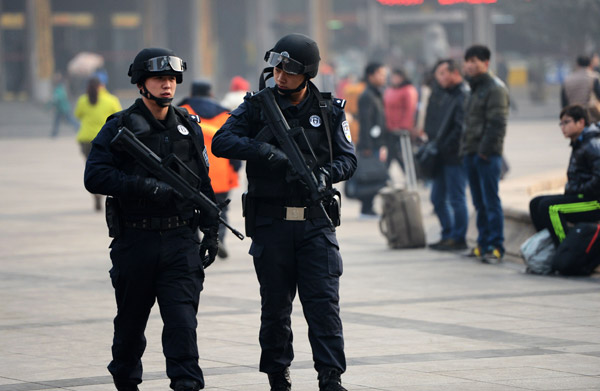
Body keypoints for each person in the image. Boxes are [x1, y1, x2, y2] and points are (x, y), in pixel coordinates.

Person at [212, 33, 356, 391]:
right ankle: (278, 374)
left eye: (289, 70)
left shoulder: (329, 109)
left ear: (307, 73)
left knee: (323, 304)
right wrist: (265, 152)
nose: (280, 76)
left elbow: (348, 158)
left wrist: (326, 173)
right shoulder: (256, 106)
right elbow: (221, 142)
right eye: (277, 67)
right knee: (275, 308)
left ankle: (330, 376)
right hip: (272, 223)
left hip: (315, 223)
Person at [84, 47, 219, 391]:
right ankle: (126, 380)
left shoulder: (188, 125)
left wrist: (211, 228)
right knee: (130, 325)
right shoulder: (119, 126)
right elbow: (95, 177)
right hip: (136, 241)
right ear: (142, 83)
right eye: (160, 78)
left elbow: (202, 182)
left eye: (172, 79)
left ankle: (186, 382)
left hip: (180, 242)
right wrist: (145, 187)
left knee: (182, 323)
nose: (168, 85)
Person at [179, 80, 240, 259]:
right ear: (211, 93)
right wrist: (235, 168)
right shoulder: (225, 114)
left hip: (193, 173)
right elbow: (234, 144)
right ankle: (218, 237)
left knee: (193, 209)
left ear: (191, 92)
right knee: (220, 209)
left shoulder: (182, 111)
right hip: (221, 171)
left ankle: (196, 243)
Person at [461, 44, 510, 264]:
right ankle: (482, 243)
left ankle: (496, 246)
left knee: (491, 201)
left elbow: (497, 123)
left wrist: (484, 151)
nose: (470, 65)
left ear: (486, 63)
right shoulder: (474, 88)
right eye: (468, 61)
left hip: (487, 154)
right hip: (471, 152)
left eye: (475, 61)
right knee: (479, 202)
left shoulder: (495, 88)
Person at [529, 104, 600, 246]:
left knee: (551, 208)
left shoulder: (592, 144)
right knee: (536, 203)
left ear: (581, 122)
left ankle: (564, 248)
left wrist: (577, 190)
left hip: (594, 203)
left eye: (567, 122)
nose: (563, 127)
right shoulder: (579, 143)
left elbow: (598, 180)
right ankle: (549, 248)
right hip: (580, 196)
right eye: (561, 123)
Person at [426, 59, 469, 251]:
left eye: (443, 73)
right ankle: (448, 233)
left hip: (455, 156)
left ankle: (458, 238)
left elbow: (460, 128)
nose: (440, 78)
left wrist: (445, 145)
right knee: (436, 198)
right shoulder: (443, 94)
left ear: (454, 73)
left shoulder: (463, 94)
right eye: (438, 74)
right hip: (441, 156)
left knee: (456, 198)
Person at [74, 75, 122, 211]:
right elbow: (119, 117)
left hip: (86, 139)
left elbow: (77, 114)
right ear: (102, 85)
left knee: (92, 169)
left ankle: (96, 196)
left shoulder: (83, 100)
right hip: (106, 139)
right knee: (108, 168)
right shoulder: (111, 100)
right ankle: (106, 195)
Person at [356, 62, 388, 217]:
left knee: (374, 174)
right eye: (380, 74)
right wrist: (367, 145)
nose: (383, 77)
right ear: (371, 75)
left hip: (376, 142)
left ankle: (368, 207)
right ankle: (366, 208)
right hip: (369, 144)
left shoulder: (375, 93)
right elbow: (366, 121)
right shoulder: (367, 96)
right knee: (368, 175)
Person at [383, 68, 419, 169]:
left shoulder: (408, 90)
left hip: (402, 129)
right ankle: (385, 175)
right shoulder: (390, 89)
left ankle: (415, 174)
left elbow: (410, 109)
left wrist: (404, 126)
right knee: (392, 153)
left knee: (403, 154)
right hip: (390, 127)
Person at [561, 55, 600, 122]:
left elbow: (564, 102)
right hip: (590, 115)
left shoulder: (568, 79)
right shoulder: (594, 77)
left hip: (573, 116)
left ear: (577, 64)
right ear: (590, 64)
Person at [50, 72, 79, 137]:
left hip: (62, 108)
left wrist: (52, 103)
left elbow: (58, 98)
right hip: (62, 108)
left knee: (67, 119)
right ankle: (54, 133)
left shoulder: (59, 88)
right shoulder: (61, 87)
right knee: (60, 120)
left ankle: (78, 126)